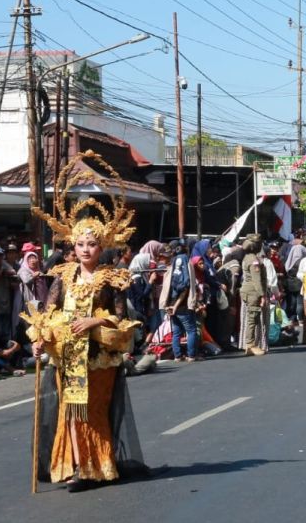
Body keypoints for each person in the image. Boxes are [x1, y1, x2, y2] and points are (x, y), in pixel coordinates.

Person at [24, 153, 147, 491]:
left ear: (101, 244)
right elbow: (48, 314)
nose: (85, 249)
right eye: (80, 244)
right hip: (67, 358)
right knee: (70, 412)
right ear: (73, 246)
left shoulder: (112, 279)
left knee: (91, 411)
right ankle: (78, 466)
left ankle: (98, 467)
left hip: (98, 359)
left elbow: (123, 322)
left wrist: (95, 321)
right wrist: (40, 338)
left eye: (91, 244)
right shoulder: (62, 276)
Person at [159, 239, 199, 362]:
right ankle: (191, 355)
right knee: (191, 330)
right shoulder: (185, 262)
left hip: (170, 303)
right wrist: (176, 306)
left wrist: (169, 306)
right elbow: (185, 288)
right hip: (181, 304)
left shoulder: (172, 265)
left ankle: (177, 356)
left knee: (177, 330)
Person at [240, 237, 268, 356]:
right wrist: (262, 295)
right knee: (252, 319)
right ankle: (250, 345)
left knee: (253, 318)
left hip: (248, 290)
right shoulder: (254, 260)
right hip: (253, 292)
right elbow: (257, 280)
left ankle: (250, 344)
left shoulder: (247, 257)